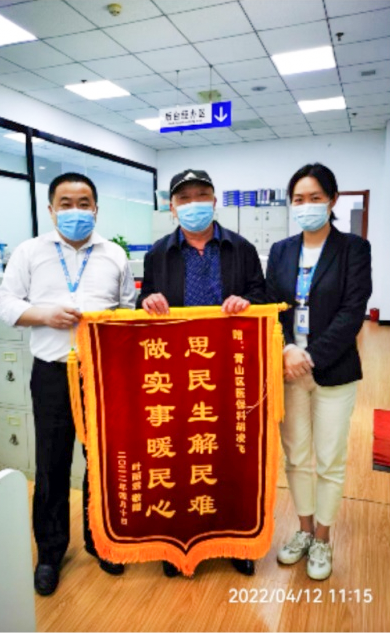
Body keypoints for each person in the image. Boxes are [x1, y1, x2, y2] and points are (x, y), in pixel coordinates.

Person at [0, 173, 136, 596]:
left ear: (96, 209)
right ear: (51, 209)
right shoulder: (30, 252)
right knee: (51, 465)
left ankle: (102, 541)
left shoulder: (114, 255)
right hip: (52, 373)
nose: (76, 211)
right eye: (66, 203)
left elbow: (127, 309)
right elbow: (4, 303)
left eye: (84, 203)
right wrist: (44, 315)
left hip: (103, 374)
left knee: (103, 461)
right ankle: (50, 553)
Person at [137, 168, 267, 578]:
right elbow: (144, 301)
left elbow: (261, 295)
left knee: (229, 452)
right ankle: (177, 541)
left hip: (228, 370)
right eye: (184, 197)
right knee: (178, 452)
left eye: (201, 195)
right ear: (172, 207)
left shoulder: (241, 248)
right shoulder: (158, 253)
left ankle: (236, 540)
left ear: (214, 200)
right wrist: (148, 302)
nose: (193, 203)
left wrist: (246, 302)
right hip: (176, 372)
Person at [266, 163, 372, 581]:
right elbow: (273, 307)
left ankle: (324, 538)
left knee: (329, 459)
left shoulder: (353, 249)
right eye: (298, 199)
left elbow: (352, 312)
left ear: (332, 199)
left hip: (333, 368)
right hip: (288, 369)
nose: (306, 205)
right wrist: (286, 349)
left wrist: (309, 356)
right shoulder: (281, 251)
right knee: (296, 457)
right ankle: (304, 530)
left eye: (314, 197)